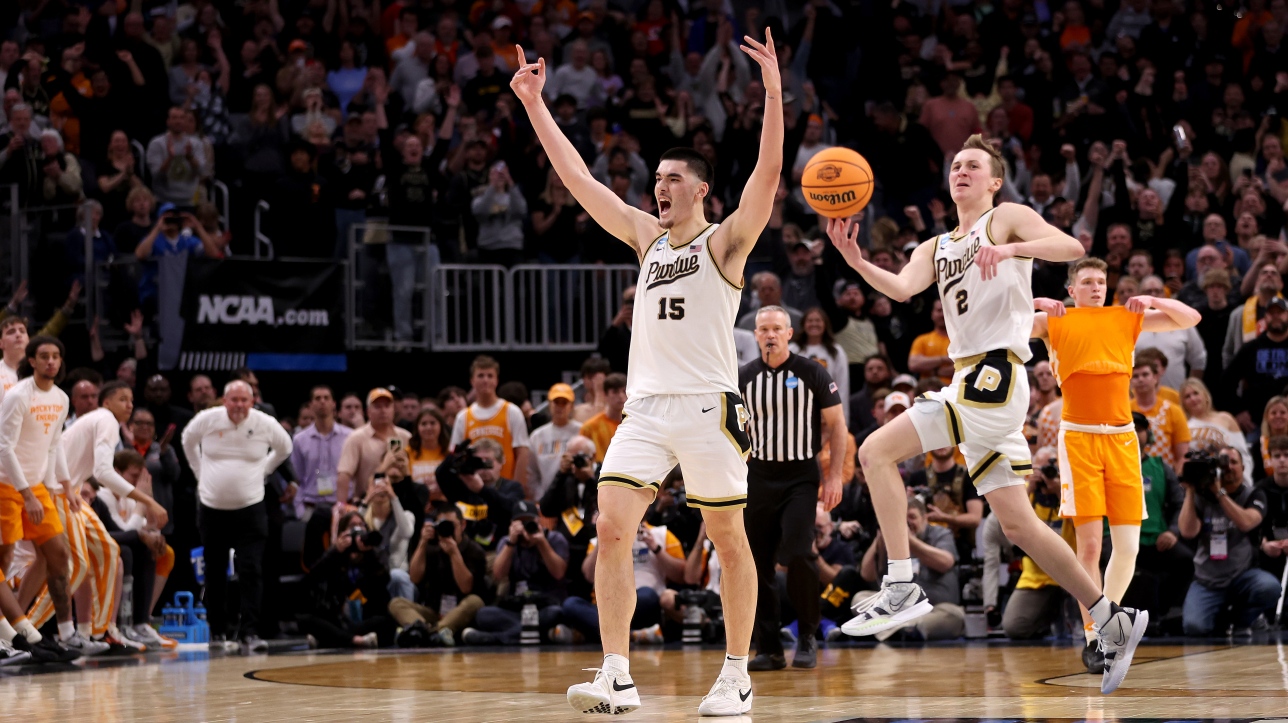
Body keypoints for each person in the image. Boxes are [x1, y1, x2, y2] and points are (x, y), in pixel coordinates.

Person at [513, 28, 783, 716]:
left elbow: (768, 177)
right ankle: (616, 672)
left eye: (671, 180)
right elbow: (577, 180)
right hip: (646, 409)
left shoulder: (726, 241)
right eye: (655, 180)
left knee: (728, 537)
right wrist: (534, 103)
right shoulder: (645, 237)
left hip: (709, 407)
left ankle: (736, 673)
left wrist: (775, 90)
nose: (658, 187)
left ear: (699, 189)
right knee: (609, 525)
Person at [825, 134, 1146, 695]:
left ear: (995, 180)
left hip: (993, 376)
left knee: (874, 451)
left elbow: (1071, 247)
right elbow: (901, 289)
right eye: (955, 165)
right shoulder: (936, 244)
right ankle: (1109, 617)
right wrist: (855, 260)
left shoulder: (1004, 219)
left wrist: (1016, 250)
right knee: (1020, 525)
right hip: (975, 379)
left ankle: (900, 583)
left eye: (973, 165)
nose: (961, 171)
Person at [1030, 256, 1200, 672]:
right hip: (1079, 439)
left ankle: (1109, 633)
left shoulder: (1126, 317)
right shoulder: (1055, 320)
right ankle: (1095, 635)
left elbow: (1190, 317)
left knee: (1126, 547)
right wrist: (1036, 301)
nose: (1096, 287)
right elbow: (1003, 324)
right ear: (1071, 290)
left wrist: (1153, 297)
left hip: (1123, 439)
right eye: (1087, 281)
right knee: (1088, 546)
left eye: (1101, 281)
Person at [739, 305, 846, 670]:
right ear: (755, 335)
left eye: (777, 329)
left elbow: (838, 425)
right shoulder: (742, 378)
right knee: (758, 563)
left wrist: (833, 477)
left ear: (789, 334)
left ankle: (807, 634)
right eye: (763, 329)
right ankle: (768, 646)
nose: (770, 334)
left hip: (801, 475)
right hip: (758, 476)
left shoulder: (812, 372)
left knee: (799, 552)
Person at [25, 381, 169, 651]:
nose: (129, 404)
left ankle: (96, 632)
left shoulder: (97, 420)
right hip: (54, 491)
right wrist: (148, 500)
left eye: (131, 399)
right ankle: (27, 630)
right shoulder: (106, 419)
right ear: (106, 402)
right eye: (122, 399)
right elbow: (104, 473)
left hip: (70, 491)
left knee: (107, 550)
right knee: (77, 564)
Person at [181, 380, 293, 653]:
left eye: (245, 400)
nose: (239, 405)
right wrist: (200, 473)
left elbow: (285, 447)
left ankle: (250, 632)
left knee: (251, 570)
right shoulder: (207, 419)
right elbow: (187, 440)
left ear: (252, 401)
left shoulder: (265, 423)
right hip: (211, 508)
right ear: (224, 400)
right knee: (215, 572)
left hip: (251, 508)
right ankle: (217, 632)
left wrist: (264, 470)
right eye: (234, 400)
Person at [0, 336, 86, 662]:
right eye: (44, 356)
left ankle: (66, 633)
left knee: (58, 555)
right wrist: (26, 493)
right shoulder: (18, 395)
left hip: (37, 488)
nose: (51, 361)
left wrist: (51, 486)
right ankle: (12, 631)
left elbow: (52, 446)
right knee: (3, 561)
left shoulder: (62, 398)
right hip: (7, 486)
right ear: (32, 361)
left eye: (56, 356)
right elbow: (4, 448)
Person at [1178, 444, 1280, 635]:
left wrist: (1220, 493)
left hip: (1242, 576)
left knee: (1269, 587)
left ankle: (1243, 620)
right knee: (1194, 627)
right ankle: (1223, 620)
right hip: (1207, 580)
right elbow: (1187, 532)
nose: (1229, 467)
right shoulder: (1201, 496)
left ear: (1243, 468)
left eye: (1234, 462)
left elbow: (1246, 523)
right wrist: (1191, 490)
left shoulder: (1254, 494)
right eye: (1224, 462)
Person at [854, 497, 965, 641]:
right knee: (859, 600)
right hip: (897, 610)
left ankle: (889, 630)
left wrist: (909, 541)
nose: (906, 523)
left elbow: (946, 562)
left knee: (955, 616)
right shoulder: (891, 539)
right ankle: (904, 630)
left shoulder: (940, 534)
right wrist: (880, 538)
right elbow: (867, 575)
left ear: (925, 518)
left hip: (933, 610)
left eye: (912, 517)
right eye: (901, 519)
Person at [462, 499, 570, 646]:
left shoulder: (554, 539)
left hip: (545, 606)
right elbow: (498, 575)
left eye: (529, 521)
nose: (525, 527)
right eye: (520, 523)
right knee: (483, 615)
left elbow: (559, 573)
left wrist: (541, 542)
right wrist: (511, 543)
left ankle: (496, 638)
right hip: (518, 608)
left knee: (556, 613)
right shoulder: (507, 542)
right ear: (512, 524)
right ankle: (542, 635)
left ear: (538, 521)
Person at [390, 503, 487, 648]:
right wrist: (422, 543)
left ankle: (426, 632)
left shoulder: (474, 550)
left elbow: (466, 587)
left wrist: (454, 553)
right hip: (434, 612)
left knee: (475, 601)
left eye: (451, 525)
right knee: (396, 603)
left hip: (460, 613)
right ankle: (428, 630)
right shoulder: (432, 548)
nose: (447, 529)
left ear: (463, 525)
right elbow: (414, 578)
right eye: (442, 525)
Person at [296, 511, 395, 649]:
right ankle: (355, 640)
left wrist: (369, 552)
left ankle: (329, 639)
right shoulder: (336, 555)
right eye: (352, 526)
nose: (358, 529)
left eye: (362, 525)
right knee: (305, 620)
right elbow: (310, 580)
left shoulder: (373, 553)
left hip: (366, 618)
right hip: (339, 619)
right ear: (343, 533)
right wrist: (335, 551)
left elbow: (384, 580)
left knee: (386, 622)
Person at [448, 356, 531, 492]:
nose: (485, 380)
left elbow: (522, 454)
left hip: (505, 488)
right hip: (475, 490)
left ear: (496, 380)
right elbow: (454, 456)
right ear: (472, 381)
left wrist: (517, 489)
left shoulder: (512, 411)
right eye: (480, 375)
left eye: (490, 376)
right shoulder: (463, 417)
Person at [336, 388, 412, 505]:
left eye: (387, 406)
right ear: (368, 412)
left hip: (401, 502)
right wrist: (341, 506)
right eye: (377, 406)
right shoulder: (356, 438)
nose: (383, 410)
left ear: (393, 409)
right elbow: (344, 475)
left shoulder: (406, 437)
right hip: (367, 502)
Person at [290, 385, 352, 519]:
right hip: (311, 507)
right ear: (311, 405)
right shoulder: (300, 440)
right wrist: (301, 511)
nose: (322, 401)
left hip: (342, 506)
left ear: (334, 404)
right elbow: (298, 477)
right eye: (317, 398)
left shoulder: (349, 437)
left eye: (326, 398)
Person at [1181, 379, 1253, 483]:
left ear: (1205, 395)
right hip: (1198, 479)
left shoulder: (1225, 418)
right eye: (1187, 396)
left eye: (1196, 393)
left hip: (1227, 476)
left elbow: (1242, 452)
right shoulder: (1183, 425)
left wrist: (1245, 479)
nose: (1193, 399)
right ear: (1183, 403)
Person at [527, 383, 583, 500]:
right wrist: (541, 499)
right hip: (547, 499)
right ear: (549, 404)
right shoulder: (537, 436)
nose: (560, 406)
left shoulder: (581, 431)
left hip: (576, 498)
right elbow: (531, 473)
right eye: (556, 402)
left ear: (572, 406)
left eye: (564, 402)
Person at [579, 372, 625, 463]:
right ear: (605, 395)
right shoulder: (590, 427)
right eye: (615, 392)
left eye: (624, 391)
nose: (621, 396)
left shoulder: (634, 425)